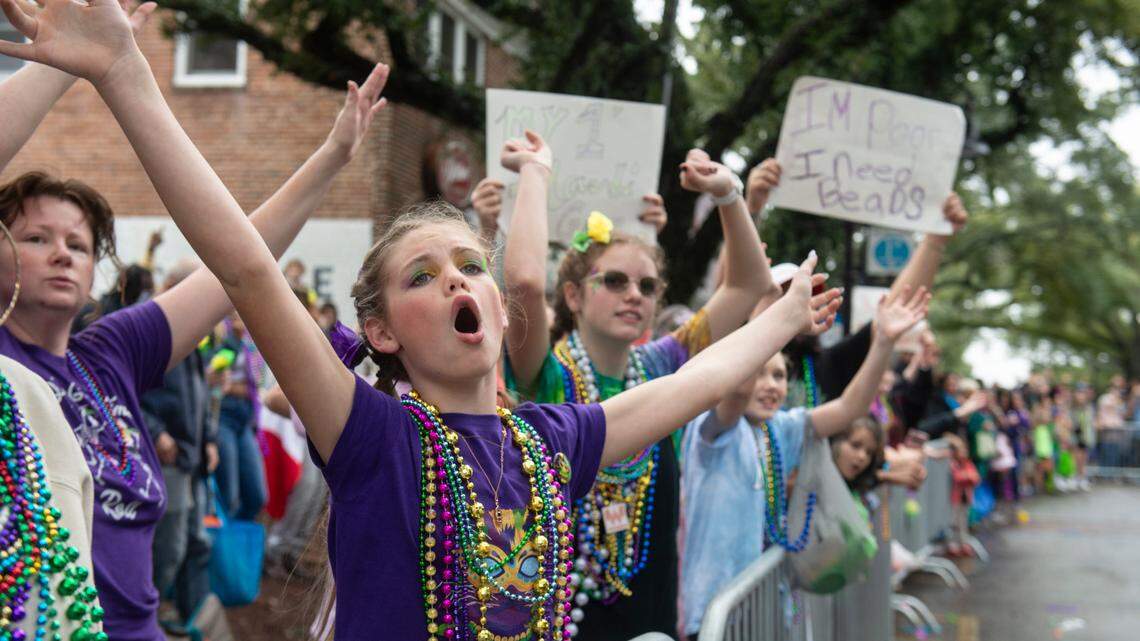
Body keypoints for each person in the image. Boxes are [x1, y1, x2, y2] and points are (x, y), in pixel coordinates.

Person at [0, 10, 839, 639]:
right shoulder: (372, 436)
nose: (455, 281)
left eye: (469, 267)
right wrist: (125, 75)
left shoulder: (557, 441)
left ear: (502, 308)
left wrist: (784, 317)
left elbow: (695, 381)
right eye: (422, 276)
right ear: (384, 330)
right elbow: (247, 267)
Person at [0, 4, 390, 635]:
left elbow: (239, 266)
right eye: (36, 237)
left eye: (77, 242)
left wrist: (333, 157)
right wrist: (68, 64)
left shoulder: (111, 353)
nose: (61, 253)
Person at [501, 129, 780, 638]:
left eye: (648, 286)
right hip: (563, 620)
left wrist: (729, 195)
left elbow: (748, 286)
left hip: (651, 617)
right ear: (574, 295)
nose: (635, 295)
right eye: (614, 280)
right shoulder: (545, 375)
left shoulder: (663, 365)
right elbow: (521, 285)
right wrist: (535, 173)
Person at [679, 287, 928, 640]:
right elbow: (734, 389)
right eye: (760, 373)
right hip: (713, 617)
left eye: (779, 376)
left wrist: (883, 343)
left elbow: (849, 408)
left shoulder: (782, 428)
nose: (770, 386)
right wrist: (764, 315)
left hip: (762, 609)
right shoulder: (714, 429)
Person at [141, 259, 219, 629]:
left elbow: (200, 394)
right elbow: (126, 391)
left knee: (193, 542)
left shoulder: (191, 331)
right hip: (165, 460)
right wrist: (156, 431)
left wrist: (209, 440)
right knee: (168, 547)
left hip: (189, 458)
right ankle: (144, 618)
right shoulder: (148, 332)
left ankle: (187, 618)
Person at [947, 434, 980, 557]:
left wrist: (966, 475)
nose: (964, 452)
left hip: (965, 498)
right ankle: (953, 544)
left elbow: (975, 478)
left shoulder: (967, 463)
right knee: (954, 522)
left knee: (963, 522)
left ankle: (964, 543)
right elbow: (957, 477)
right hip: (955, 498)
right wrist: (966, 476)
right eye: (961, 450)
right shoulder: (952, 464)